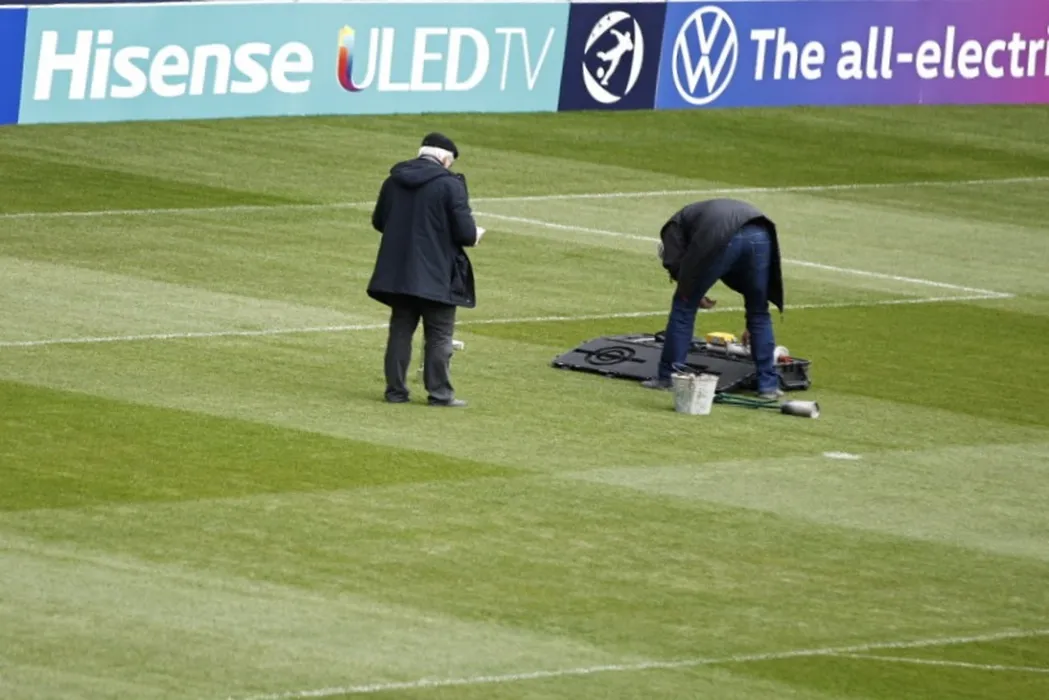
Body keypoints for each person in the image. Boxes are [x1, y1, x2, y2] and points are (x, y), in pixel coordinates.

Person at [367, 133, 484, 408]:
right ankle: (440, 394)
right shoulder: (450, 185)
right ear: (444, 158)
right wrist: (475, 235)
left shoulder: (394, 180)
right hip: (438, 271)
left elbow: (380, 221)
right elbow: (466, 233)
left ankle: (395, 392)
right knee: (440, 335)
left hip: (398, 272)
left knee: (400, 331)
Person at [641, 198, 785, 399]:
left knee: (683, 306)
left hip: (723, 234)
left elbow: (675, 264)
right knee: (759, 311)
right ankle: (768, 386)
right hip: (760, 232)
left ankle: (668, 376)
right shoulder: (690, 217)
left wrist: (691, 292)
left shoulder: (673, 228)